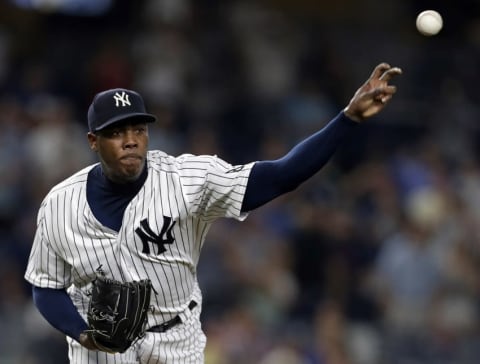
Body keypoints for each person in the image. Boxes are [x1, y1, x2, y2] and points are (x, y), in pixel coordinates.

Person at [24, 62, 402, 363]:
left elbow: (281, 175)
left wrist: (346, 121)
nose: (130, 141)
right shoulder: (61, 203)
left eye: (138, 129)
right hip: (98, 351)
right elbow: (46, 286)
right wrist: (84, 333)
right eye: (115, 132)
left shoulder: (189, 180)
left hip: (175, 343)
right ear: (93, 140)